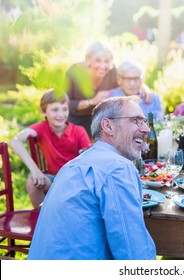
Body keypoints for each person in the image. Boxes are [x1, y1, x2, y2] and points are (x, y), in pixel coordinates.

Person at [28, 96, 156, 260]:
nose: (146, 128)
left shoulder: (70, 166)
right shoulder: (118, 168)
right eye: (136, 121)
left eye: (144, 121)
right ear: (108, 125)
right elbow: (134, 255)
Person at [10, 89, 90, 209]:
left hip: (76, 181)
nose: (61, 114)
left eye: (65, 109)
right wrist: (35, 170)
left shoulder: (79, 131)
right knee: (32, 182)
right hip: (53, 180)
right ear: (43, 112)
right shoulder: (42, 128)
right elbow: (15, 141)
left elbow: (89, 160)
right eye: (55, 110)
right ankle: (43, 219)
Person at [67, 41, 118, 137]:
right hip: (77, 120)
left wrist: (143, 87)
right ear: (88, 59)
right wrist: (92, 101)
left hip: (102, 120)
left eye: (106, 61)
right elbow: (66, 103)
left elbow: (125, 84)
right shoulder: (75, 71)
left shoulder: (112, 71)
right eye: (98, 60)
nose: (103, 66)